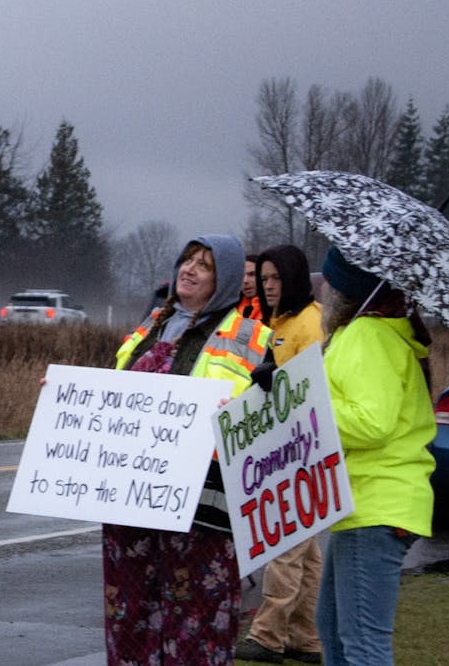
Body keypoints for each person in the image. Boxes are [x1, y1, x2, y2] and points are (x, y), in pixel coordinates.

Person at [105, 234, 273, 666]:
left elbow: (263, 423)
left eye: (205, 264)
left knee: (197, 620)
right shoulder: (150, 326)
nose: (190, 269)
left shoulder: (253, 338)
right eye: (187, 259)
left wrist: (262, 393)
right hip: (133, 495)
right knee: (131, 615)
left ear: (227, 279)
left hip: (203, 505)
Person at [314, 246, 436, 666]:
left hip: (376, 504)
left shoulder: (371, 335)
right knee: (331, 627)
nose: (324, 287)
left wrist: (309, 410)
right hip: (363, 503)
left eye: (331, 279)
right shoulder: (362, 334)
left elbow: (372, 422)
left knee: (364, 643)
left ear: (349, 287)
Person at [237, 244, 325, 664]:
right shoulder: (281, 321)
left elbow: (312, 388)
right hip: (287, 447)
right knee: (306, 553)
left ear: (293, 279)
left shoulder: (310, 323)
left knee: (285, 544)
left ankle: (267, 635)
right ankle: (306, 639)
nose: (268, 286)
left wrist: (279, 378)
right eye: (265, 278)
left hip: (303, 450)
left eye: (276, 279)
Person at [239, 251, 265, 321]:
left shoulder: (274, 310)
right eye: (241, 275)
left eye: (252, 274)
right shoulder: (230, 310)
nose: (245, 281)